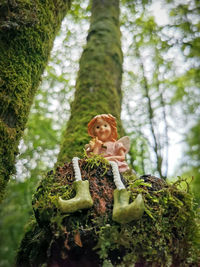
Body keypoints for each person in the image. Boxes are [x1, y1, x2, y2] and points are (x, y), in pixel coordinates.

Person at [58, 114, 144, 224]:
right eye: (98, 127)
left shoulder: (116, 144)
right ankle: (81, 195)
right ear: (94, 132)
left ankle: (121, 205)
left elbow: (122, 157)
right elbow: (92, 159)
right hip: (97, 167)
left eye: (105, 125)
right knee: (75, 160)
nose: (102, 128)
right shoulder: (94, 146)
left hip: (113, 165)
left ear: (112, 129)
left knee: (113, 166)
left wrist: (107, 158)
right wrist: (97, 147)